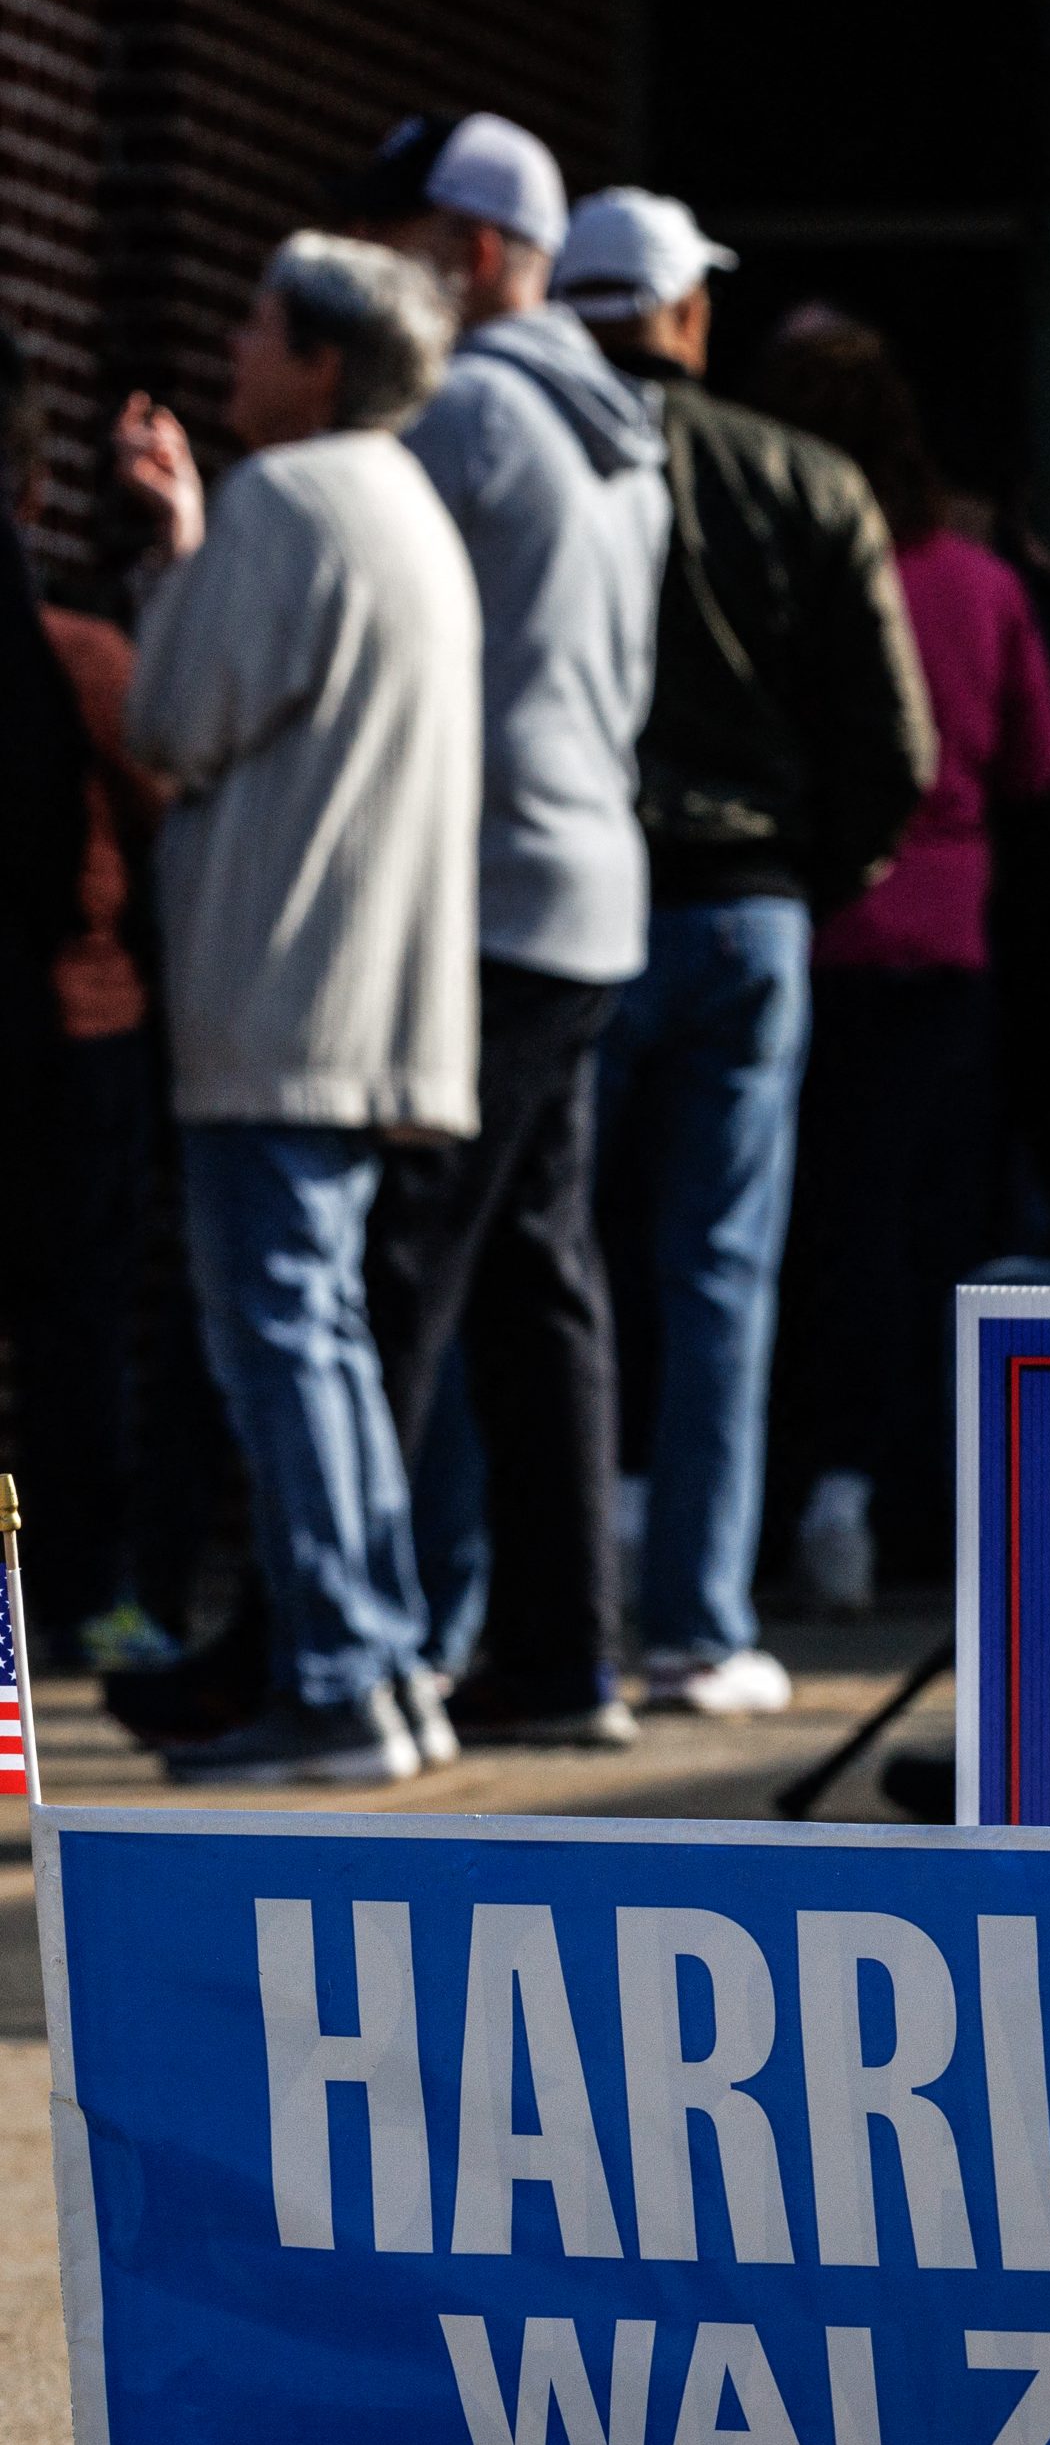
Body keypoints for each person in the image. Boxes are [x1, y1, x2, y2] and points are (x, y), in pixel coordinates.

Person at [550, 191, 935, 1709]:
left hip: (579, 903)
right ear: (687, 316)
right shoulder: (802, 478)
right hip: (753, 903)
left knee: (548, 1261)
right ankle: (698, 1622)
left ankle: (552, 1610)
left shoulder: (537, 463)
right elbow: (888, 738)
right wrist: (812, 869)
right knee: (720, 1268)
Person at [114, 232, 477, 1783]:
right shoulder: (406, 505)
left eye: (257, 326)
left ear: (323, 359)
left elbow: (172, 719)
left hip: (278, 999)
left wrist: (169, 557)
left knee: (281, 1338)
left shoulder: (291, 499)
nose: (236, 353)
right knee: (324, 1337)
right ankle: (378, 1663)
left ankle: (336, 1676)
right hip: (378, 1000)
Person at [336, 111, 671, 1745]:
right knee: (544, 1281)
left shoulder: (466, 406)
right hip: (596, 891)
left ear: (469, 252)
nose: (374, 268)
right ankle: (561, 1654)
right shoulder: (620, 423)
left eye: (398, 238)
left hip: (487, 891)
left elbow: (361, 612)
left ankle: (332, 1644)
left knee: (399, 1268)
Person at [753, 308, 1050, 1612]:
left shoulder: (764, 574)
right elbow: (1038, 761)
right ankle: (880, 1499)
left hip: (804, 931)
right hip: (937, 942)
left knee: (780, 1232)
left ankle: (769, 1499)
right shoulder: (975, 585)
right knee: (920, 1236)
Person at [0, 331, 174, 1669]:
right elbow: (170, 819)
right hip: (81, 1029)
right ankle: (92, 1596)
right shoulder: (84, 658)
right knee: (78, 1332)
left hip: (70, 1029)